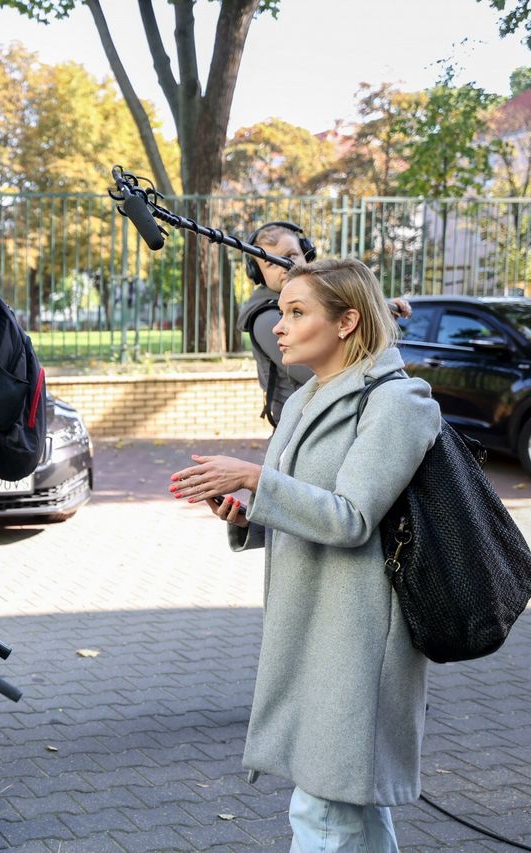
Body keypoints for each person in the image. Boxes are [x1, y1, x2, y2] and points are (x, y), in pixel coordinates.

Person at [171, 258, 439, 851]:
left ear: (347, 321)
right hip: (313, 626)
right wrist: (247, 516)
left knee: (321, 810)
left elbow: (350, 517)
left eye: (296, 312)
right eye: (280, 311)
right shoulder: (303, 399)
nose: (280, 326)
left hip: (361, 637)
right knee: (352, 810)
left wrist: (255, 478)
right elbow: (305, 506)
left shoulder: (398, 402)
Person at [239, 221, 411, 426]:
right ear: (258, 274)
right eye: (270, 263)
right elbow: (324, 376)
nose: (283, 267)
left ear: (306, 255)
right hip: (300, 428)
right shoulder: (265, 318)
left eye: (291, 255)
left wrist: (375, 308)